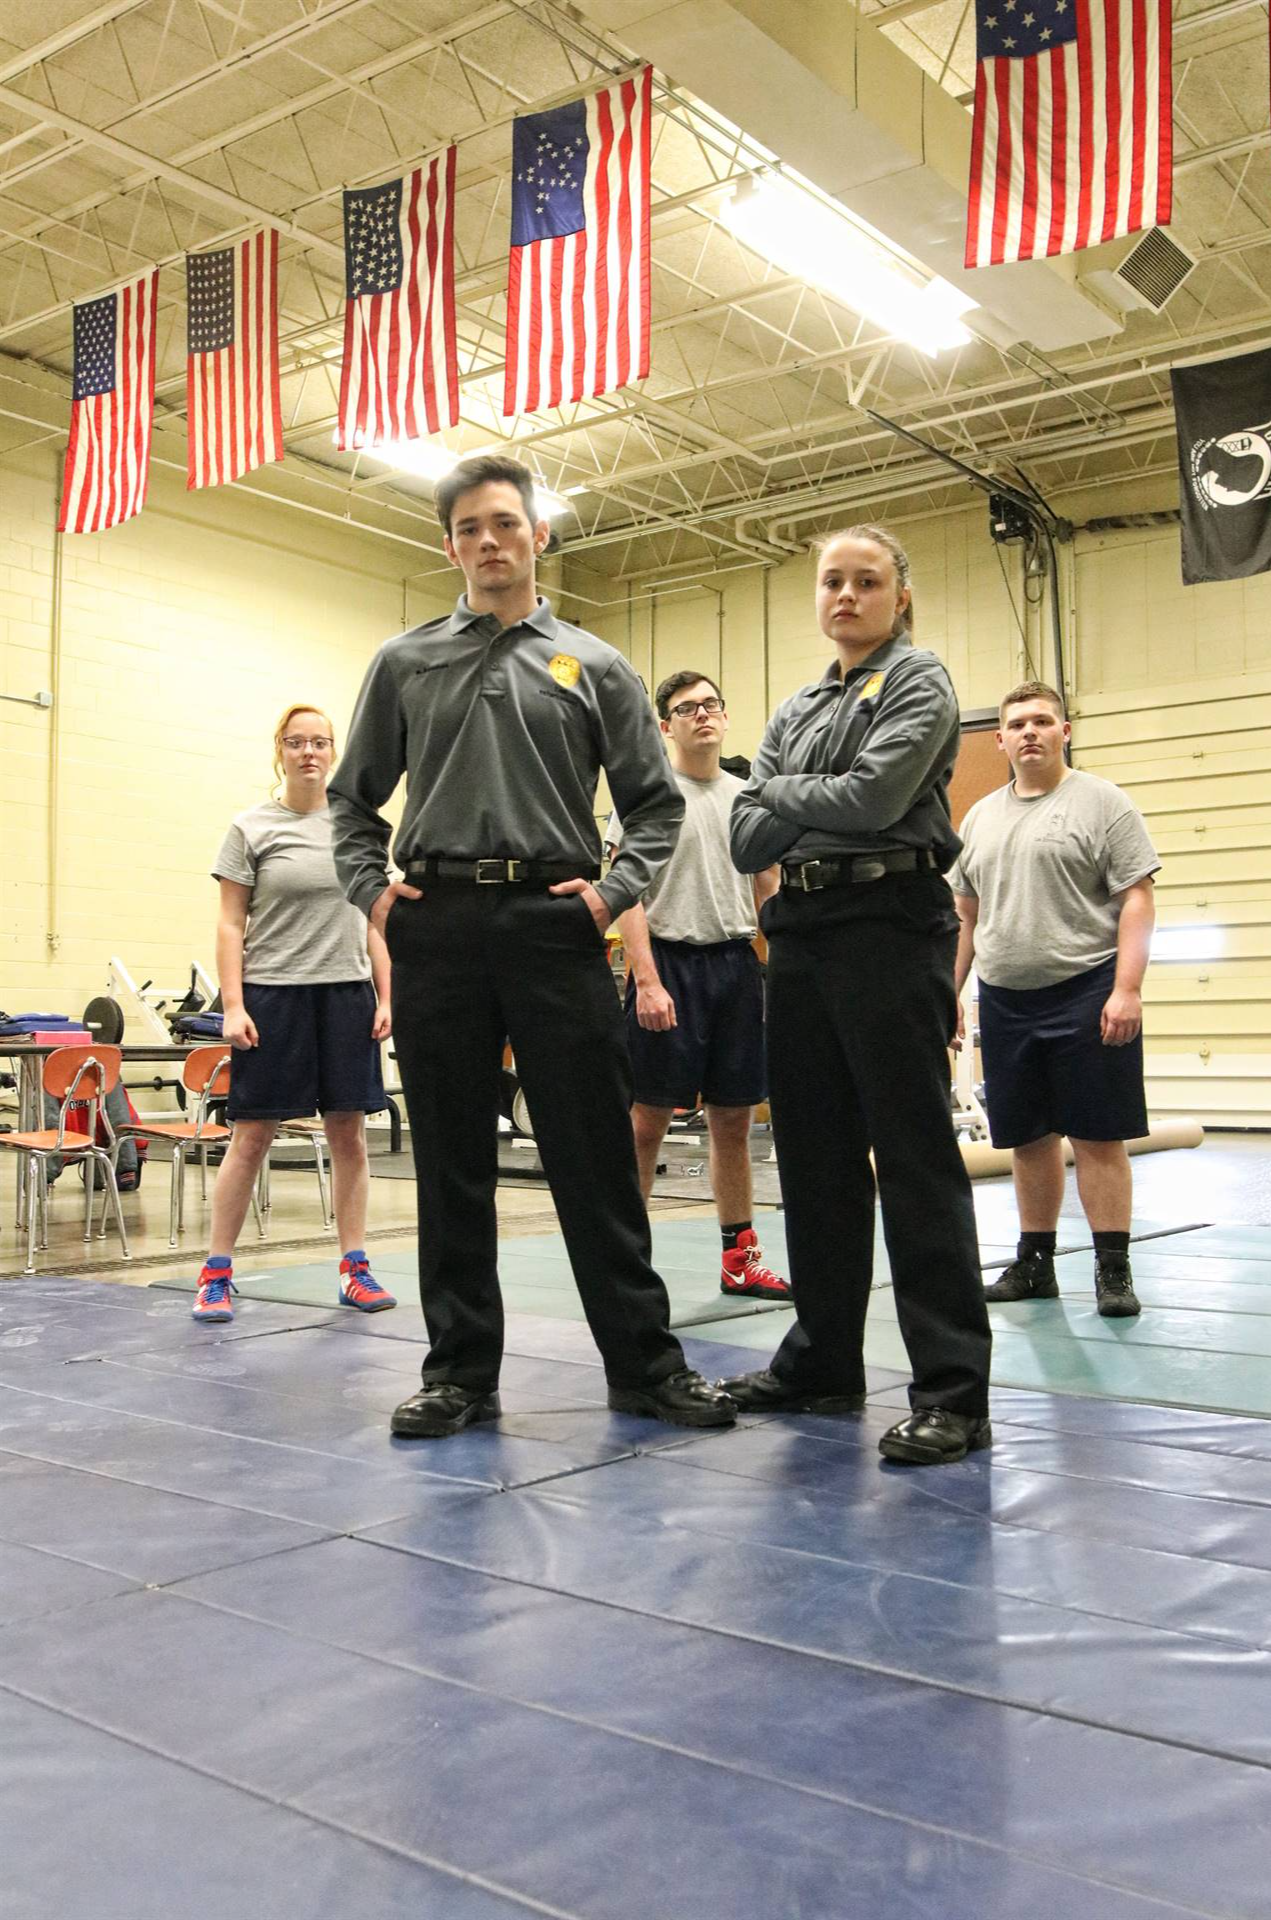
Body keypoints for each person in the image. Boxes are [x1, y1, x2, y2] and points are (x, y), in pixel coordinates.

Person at [327, 454, 735, 1439]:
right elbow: (351, 803)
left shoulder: (595, 666)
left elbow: (650, 810)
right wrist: (378, 898)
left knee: (594, 1159)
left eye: (505, 523)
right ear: (449, 545)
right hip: (441, 926)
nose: (489, 541)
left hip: (556, 928)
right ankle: (460, 1376)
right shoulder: (404, 661)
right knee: (453, 1162)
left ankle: (644, 1366)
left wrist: (606, 899)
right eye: (469, 527)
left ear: (538, 535)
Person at [721, 524, 992, 1466]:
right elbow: (742, 842)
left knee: (914, 1160)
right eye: (831, 581)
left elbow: (875, 802)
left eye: (865, 581)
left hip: (890, 923)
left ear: (898, 596)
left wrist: (779, 792)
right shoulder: (798, 705)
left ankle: (953, 1392)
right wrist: (811, 792)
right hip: (800, 933)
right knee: (814, 1159)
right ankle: (823, 1362)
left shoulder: (920, 682)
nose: (845, 595)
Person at [952, 681, 1158, 1317]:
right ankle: (1035, 1263)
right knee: (1030, 1138)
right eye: (1017, 724)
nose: (1030, 732)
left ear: (1064, 731)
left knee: (1099, 1138)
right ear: (1000, 739)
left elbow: (1138, 899)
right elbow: (965, 913)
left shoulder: (1104, 804)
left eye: (1043, 721)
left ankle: (1113, 1270)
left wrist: (1126, 989)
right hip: (1007, 1000)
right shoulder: (980, 817)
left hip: (1088, 992)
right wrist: (948, 991)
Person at [192, 703, 395, 1323]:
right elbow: (231, 923)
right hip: (273, 995)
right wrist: (233, 1004)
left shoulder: (358, 830)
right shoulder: (252, 827)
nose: (310, 752)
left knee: (350, 1137)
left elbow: (376, 920)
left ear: (334, 752)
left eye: (321, 743)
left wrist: (388, 996)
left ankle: (354, 1268)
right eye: (297, 742)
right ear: (278, 749)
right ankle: (217, 1272)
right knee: (251, 1136)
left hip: (346, 996)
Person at [605, 670, 789, 1301]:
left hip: (736, 967)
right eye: (688, 709)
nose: (702, 715)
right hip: (668, 966)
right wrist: (648, 980)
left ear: (725, 716)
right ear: (665, 726)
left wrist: (789, 961)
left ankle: (740, 1259)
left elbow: (767, 887)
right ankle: (625, 1265)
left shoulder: (748, 798)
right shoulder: (647, 797)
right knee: (646, 1120)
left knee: (734, 1121)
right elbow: (626, 892)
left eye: (712, 704)